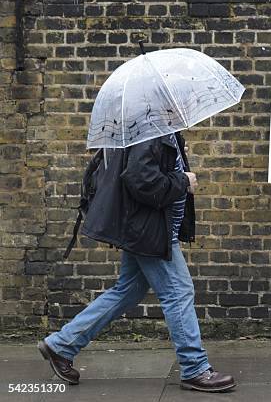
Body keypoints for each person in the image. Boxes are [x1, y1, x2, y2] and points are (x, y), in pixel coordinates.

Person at [37, 131, 235, 392]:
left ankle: (61, 345)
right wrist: (182, 181)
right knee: (178, 292)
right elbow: (140, 181)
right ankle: (194, 367)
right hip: (149, 232)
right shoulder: (149, 133)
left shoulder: (161, 131)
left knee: (127, 290)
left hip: (148, 229)